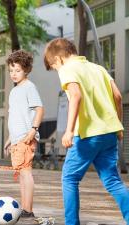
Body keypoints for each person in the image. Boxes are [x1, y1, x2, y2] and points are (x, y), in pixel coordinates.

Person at [44, 38, 129, 225]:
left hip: (87, 135)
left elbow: (76, 96)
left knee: (69, 178)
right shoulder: (99, 69)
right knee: (113, 181)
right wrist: (119, 125)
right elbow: (118, 96)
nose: (57, 70)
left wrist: (68, 131)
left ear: (58, 59)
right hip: (109, 134)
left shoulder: (67, 69)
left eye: (54, 66)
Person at [4, 50, 44, 218]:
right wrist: (9, 139)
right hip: (16, 139)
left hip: (26, 138)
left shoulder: (29, 87)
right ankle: (25, 208)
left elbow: (40, 109)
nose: (14, 74)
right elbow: (15, 117)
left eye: (17, 70)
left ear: (26, 70)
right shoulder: (14, 91)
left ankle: (28, 209)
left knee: (26, 172)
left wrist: (33, 130)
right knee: (21, 173)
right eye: (11, 70)